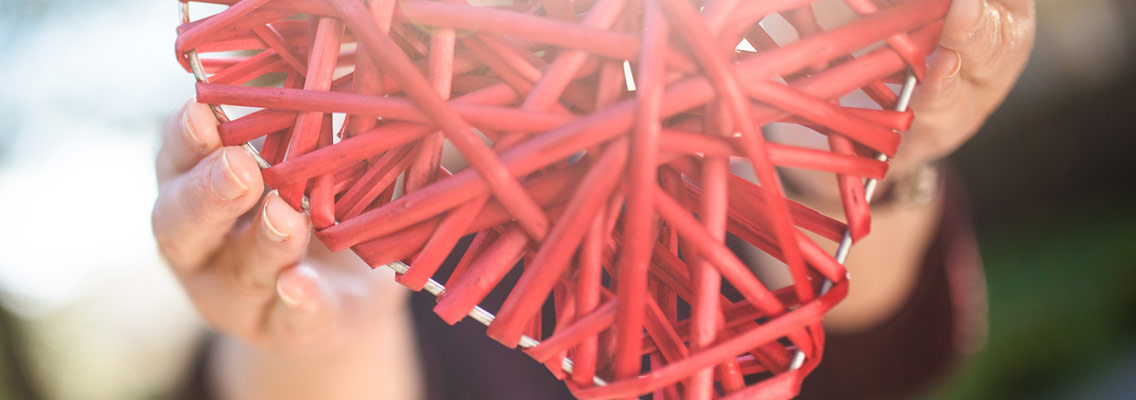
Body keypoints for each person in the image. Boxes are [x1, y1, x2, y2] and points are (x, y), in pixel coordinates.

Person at [151, 0, 1034, 398]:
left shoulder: (709, 62)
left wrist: (874, 150)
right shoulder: (352, 150)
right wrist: (318, 341)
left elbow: (879, 347)